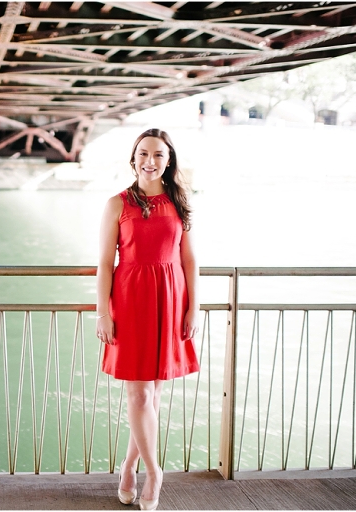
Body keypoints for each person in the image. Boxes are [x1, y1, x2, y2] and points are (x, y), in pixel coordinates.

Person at [96, 128, 199, 510]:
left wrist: (194, 307)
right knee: (139, 394)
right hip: (131, 298)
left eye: (158, 154)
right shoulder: (117, 204)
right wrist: (103, 312)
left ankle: (128, 467)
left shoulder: (179, 202)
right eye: (143, 153)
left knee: (152, 395)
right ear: (133, 158)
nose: (150, 161)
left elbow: (189, 260)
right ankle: (154, 472)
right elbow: (105, 263)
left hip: (171, 300)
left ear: (168, 160)